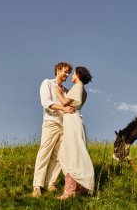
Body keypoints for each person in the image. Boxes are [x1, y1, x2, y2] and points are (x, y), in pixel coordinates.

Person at [32, 62, 75, 197]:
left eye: (69, 73)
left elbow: (69, 106)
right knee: (44, 152)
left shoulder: (67, 91)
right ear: (58, 70)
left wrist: (70, 109)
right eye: (65, 72)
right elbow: (46, 103)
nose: (67, 75)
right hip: (51, 122)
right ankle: (37, 186)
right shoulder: (47, 83)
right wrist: (63, 108)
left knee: (58, 155)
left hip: (64, 125)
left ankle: (51, 183)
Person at [56, 66, 94, 199]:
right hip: (76, 119)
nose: (71, 76)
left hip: (72, 120)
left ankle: (70, 190)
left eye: (73, 73)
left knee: (70, 152)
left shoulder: (77, 87)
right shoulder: (83, 90)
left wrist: (58, 92)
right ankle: (79, 186)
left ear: (77, 74)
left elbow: (66, 103)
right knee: (77, 151)